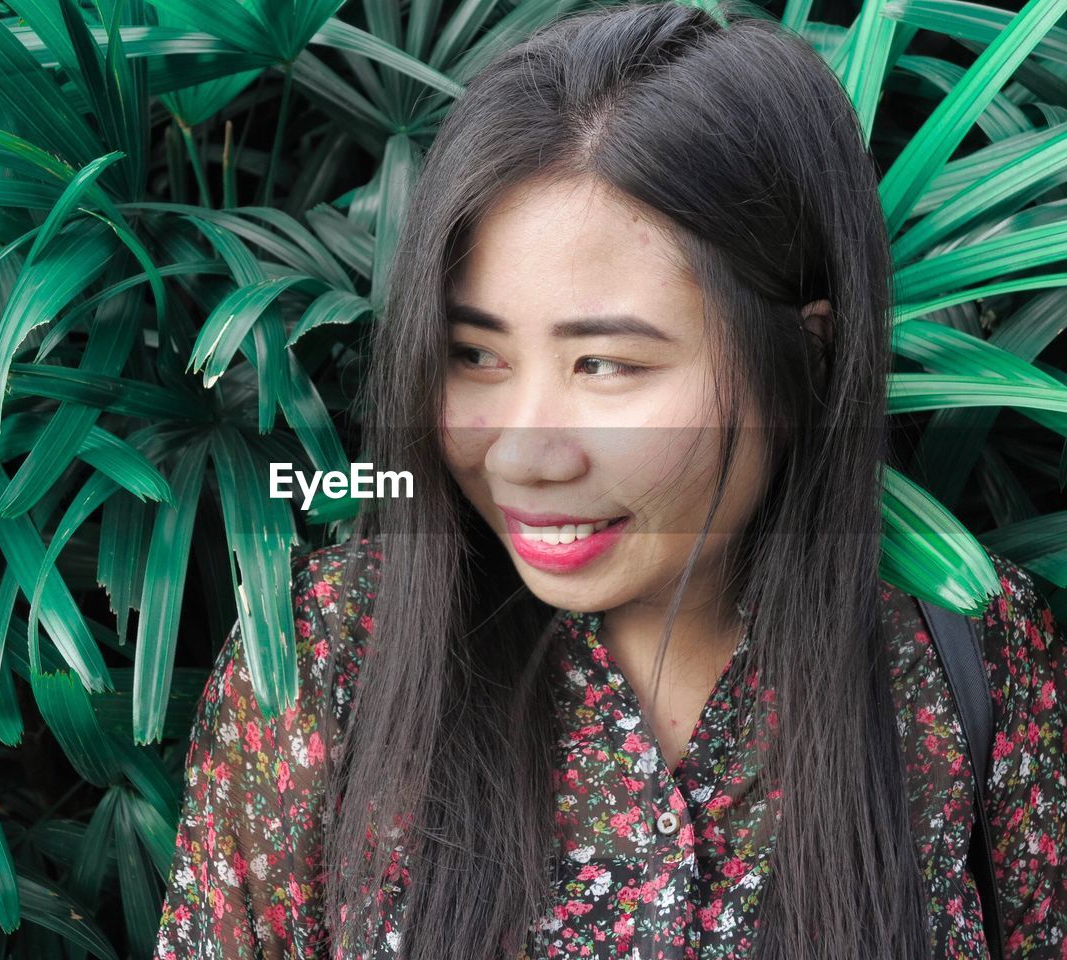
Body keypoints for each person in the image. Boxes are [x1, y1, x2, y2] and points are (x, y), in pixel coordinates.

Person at [152, 1, 1065, 958]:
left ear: (803, 360)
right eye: (475, 355)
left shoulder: (968, 655)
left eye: (606, 366)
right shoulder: (322, 663)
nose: (522, 456)